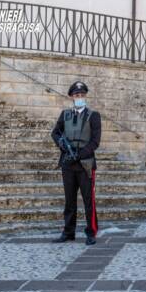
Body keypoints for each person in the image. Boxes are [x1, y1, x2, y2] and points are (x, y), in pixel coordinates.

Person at [51, 81, 102, 245]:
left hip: (85, 164)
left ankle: (91, 233)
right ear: (71, 97)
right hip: (68, 163)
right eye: (76, 95)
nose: (79, 97)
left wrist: (79, 155)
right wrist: (62, 145)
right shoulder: (65, 114)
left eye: (82, 95)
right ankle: (68, 232)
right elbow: (55, 133)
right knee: (69, 200)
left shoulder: (93, 116)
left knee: (88, 200)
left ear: (85, 96)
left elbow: (95, 142)